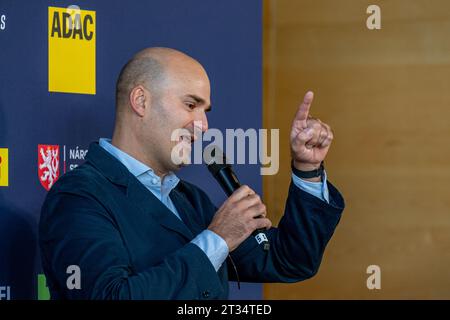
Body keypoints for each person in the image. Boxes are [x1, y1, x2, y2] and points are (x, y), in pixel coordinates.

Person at [39, 47, 345, 299]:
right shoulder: (79, 197)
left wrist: (307, 169)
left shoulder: (188, 200)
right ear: (141, 101)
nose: (203, 125)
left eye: (205, 111)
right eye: (190, 105)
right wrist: (217, 238)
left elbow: (289, 261)